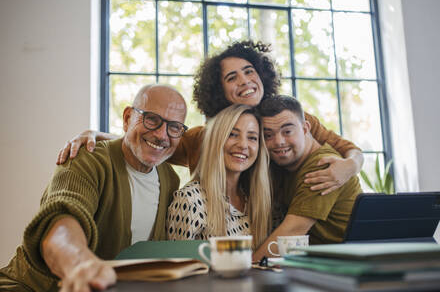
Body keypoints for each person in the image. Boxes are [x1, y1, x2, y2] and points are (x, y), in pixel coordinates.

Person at [57, 40, 363, 195]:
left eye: (249, 71)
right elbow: (154, 143)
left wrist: (348, 167)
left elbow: (348, 148)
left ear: (262, 75)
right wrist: (95, 134)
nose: (244, 81)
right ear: (220, 92)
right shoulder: (203, 137)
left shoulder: (290, 121)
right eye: (232, 78)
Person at [0, 84, 187, 292]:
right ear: (128, 118)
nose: (162, 135)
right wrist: (79, 265)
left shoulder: (169, 179)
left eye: (174, 127)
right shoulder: (86, 159)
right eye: (152, 120)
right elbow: (61, 218)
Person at [253, 95, 362, 261]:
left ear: (305, 129)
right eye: (268, 135)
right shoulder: (286, 166)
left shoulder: (323, 165)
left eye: (287, 131)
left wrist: (248, 269)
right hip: (318, 263)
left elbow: (292, 233)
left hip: (345, 266)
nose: (278, 142)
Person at [167, 104, 271, 249]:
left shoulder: (256, 200)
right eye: (233, 134)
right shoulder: (191, 200)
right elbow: (180, 266)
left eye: (252, 137)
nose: (243, 144)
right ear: (215, 139)